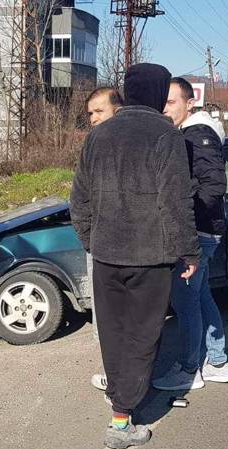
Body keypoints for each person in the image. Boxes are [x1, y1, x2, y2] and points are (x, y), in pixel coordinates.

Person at [70, 64, 199, 449]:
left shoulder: (99, 134)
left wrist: (92, 240)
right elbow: (175, 201)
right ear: (161, 94)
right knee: (143, 336)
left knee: (113, 333)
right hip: (150, 257)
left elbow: (79, 199)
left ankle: (119, 412)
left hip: (108, 255)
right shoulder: (166, 135)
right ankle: (122, 419)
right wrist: (189, 250)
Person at [148, 77, 228, 390]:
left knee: (185, 303)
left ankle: (188, 371)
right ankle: (218, 362)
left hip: (197, 232)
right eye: (163, 102)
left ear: (189, 103)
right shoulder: (192, 133)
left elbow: (213, 185)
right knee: (201, 296)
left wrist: (184, 220)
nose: (165, 108)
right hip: (203, 230)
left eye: (171, 102)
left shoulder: (197, 135)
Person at [83, 86, 123, 374]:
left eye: (100, 111)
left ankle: (121, 376)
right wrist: (89, 238)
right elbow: (81, 197)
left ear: (118, 110)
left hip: (126, 243)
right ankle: (113, 371)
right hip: (100, 241)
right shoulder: (92, 145)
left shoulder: (130, 144)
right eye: (90, 113)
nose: (94, 119)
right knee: (104, 312)